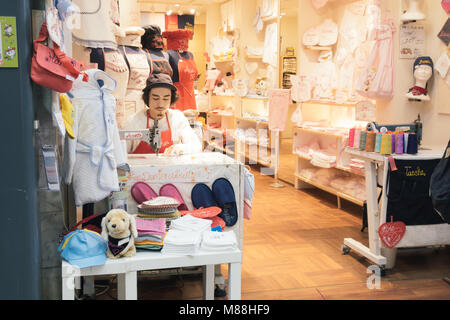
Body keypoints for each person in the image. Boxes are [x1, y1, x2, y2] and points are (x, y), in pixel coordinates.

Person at [123, 73, 202, 155]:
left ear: (171, 99)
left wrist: (181, 148)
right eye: (155, 98)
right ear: (147, 98)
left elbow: (196, 146)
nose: (160, 104)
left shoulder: (177, 118)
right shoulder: (133, 122)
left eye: (166, 99)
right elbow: (120, 153)